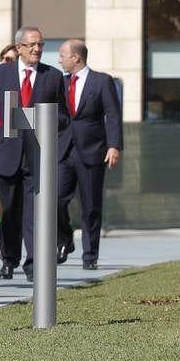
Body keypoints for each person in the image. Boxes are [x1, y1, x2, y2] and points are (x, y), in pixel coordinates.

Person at [0, 25, 69, 280]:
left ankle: (33, 264)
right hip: (6, 152)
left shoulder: (52, 76)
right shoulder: (0, 73)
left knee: (34, 213)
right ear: (19, 47)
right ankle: (9, 259)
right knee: (8, 212)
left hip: (38, 155)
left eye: (40, 45)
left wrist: (45, 122)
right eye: (32, 44)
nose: (37, 49)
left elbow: (64, 116)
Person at [56, 39, 123, 270]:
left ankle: (90, 256)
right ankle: (65, 240)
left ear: (76, 57)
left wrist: (114, 145)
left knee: (91, 206)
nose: (59, 59)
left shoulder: (102, 81)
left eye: (63, 54)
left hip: (92, 151)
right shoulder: (60, 82)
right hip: (64, 150)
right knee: (55, 199)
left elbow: (113, 114)